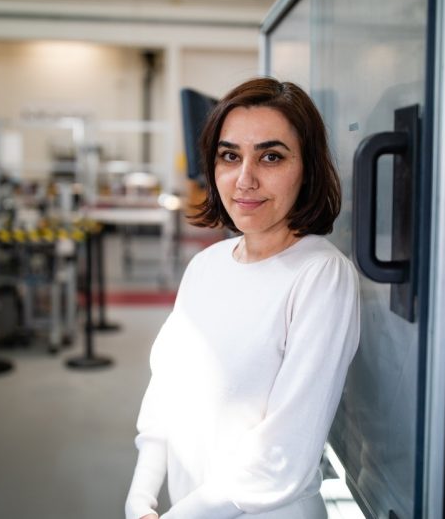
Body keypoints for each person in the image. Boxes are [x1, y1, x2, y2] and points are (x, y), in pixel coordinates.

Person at [125, 77, 361, 519]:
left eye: (271, 156)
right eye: (230, 156)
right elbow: (166, 390)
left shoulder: (321, 276)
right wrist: (140, 495)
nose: (245, 179)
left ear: (307, 168)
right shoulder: (207, 265)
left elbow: (282, 458)